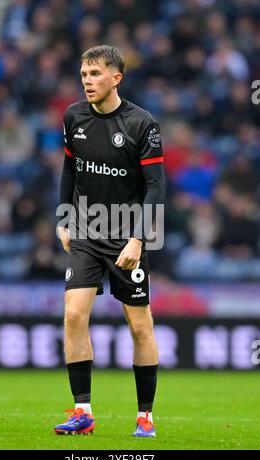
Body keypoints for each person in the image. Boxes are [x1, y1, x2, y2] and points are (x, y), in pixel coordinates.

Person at [54, 45, 165, 438]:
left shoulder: (141, 124)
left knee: (139, 325)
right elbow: (71, 166)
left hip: (125, 233)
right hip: (85, 230)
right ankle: (82, 410)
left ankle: (145, 416)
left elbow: (156, 187)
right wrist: (63, 217)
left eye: (96, 74)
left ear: (116, 78)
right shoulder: (73, 117)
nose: (87, 80)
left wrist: (138, 238)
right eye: (84, 73)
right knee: (73, 316)